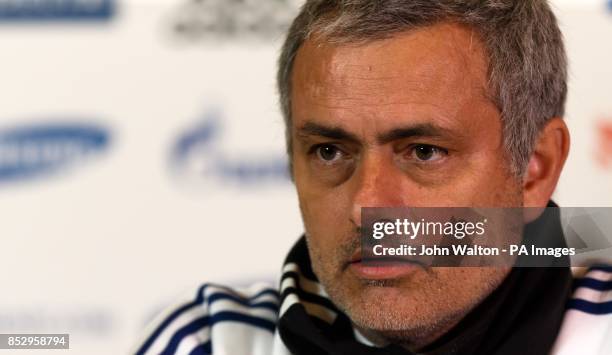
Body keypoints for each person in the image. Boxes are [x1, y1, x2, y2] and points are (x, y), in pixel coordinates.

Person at [133, 1, 612, 354]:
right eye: (329, 151)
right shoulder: (210, 341)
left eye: (424, 152)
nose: (367, 206)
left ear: (536, 168)